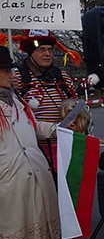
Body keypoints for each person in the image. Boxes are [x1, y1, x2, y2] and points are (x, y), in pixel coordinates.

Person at [0, 46, 59, 239]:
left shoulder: (15, 99)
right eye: (5, 70)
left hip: (29, 169)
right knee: (8, 225)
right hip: (7, 175)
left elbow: (32, 127)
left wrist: (60, 129)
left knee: (28, 220)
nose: (11, 73)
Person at [14, 30, 77, 170]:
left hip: (66, 146)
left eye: (50, 50)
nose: (47, 54)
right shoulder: (17, 77)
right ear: (30, 52)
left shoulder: (63, 76)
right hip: (34, 151)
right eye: (41, 50)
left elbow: (76, 107)